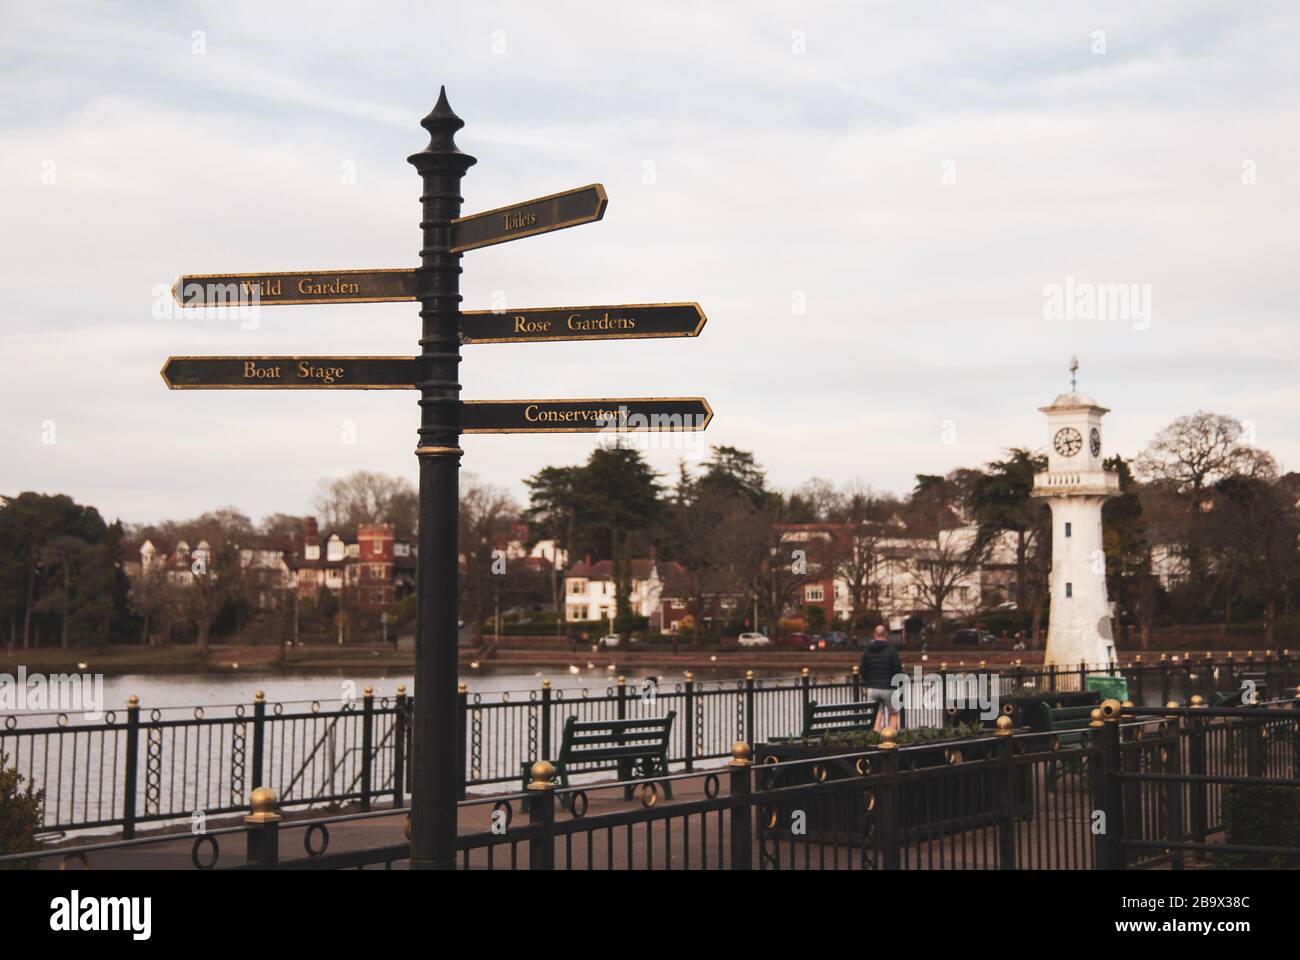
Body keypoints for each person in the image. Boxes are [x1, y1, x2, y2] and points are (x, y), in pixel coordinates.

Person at [858, 625, 903, 730]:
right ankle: (890, 737)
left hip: (872, 687)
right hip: (889, 687)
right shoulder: (892, 651)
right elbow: (897, 670)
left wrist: (868, 682)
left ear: (874, 635)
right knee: (894, 713)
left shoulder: (867, 651)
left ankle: (876, 737)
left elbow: (862, 670)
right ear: (885, 635)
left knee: (877, 714)